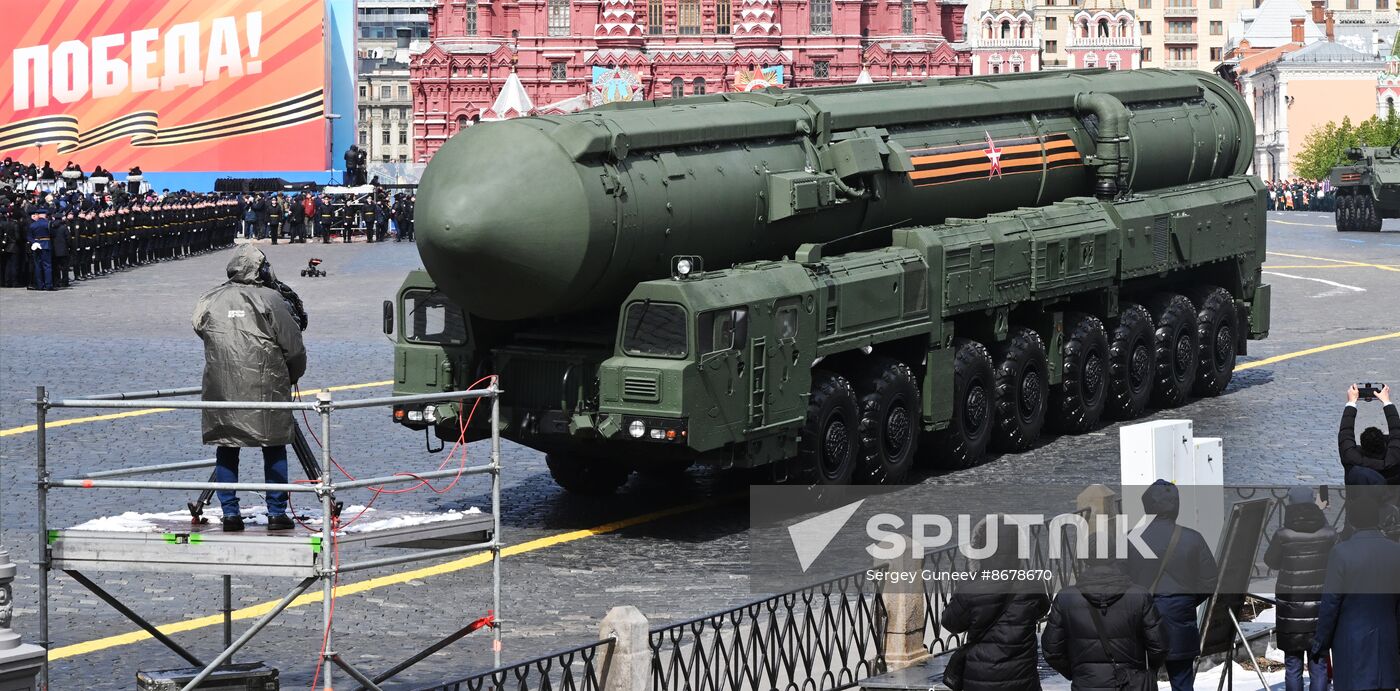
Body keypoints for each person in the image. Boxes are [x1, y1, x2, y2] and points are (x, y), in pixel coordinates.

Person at [192, 245, 307, 532]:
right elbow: (293, 346)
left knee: (227, 447)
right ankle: (277, 513)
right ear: (261, 269)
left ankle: (230, 514)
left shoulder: (210, 298)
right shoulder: (271, 298)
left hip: (221, 385)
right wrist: (291, 376)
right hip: (266, 384)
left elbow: (199, 326)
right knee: (275, 445)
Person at [1124, 480, 1219, 691]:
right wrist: (1185, 600)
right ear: (1176, 507)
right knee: (1182, 681)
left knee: (1143, 681)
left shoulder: (1130, 538)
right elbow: (1209, 581)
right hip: (1180, 619)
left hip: (1141, 620)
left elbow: (1122, 580)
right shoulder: (1192, 538)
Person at [940, 523, 1051, 691]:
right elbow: (1043, 609)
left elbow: (951, 623)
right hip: (1022, 679)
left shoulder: (970, 587)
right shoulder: (1031, 582)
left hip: (981, 679)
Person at [1311, 491, 1400, 691]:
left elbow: (1330, 603)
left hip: (1352, 645)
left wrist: (1320, 643)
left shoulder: (1341, 553)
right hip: (1387, 643)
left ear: (1352, 520)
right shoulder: (1395, 552)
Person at [1042, 557, 1169, 691]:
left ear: (1085, 559)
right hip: (1130, 684)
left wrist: (1077, 672)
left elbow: (1052, 650)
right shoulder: (1139, 595)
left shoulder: (1065, 598)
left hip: (1085, 684)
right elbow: (1159, 646)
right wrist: (1149, 672)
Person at [1263, 487, 1336, 691]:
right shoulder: (1328, 533)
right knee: (1318, 663)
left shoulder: (1283, 535)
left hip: (1290, 609)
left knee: (1293, 665)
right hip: (1319, 608)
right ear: (1313, 502)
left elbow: (1271, 561)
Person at [1339, 384, 1399, 485]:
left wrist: (1351, 402)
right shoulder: (1394, 459)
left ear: (1362, 447)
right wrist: (1386, 402)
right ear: (1385, 444)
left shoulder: (1352, 459)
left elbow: (1345, 433)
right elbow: (1396, 432)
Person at [26, 207, 53, 290]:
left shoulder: (33, 225)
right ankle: (48, 285)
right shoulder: (48, 223)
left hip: (36, 245)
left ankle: (40, 285)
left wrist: (34, 242)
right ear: (44, 215)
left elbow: (29, 236)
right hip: (46, 245)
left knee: (38, 266)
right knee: (47, 266)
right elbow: (52, 234)